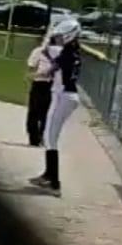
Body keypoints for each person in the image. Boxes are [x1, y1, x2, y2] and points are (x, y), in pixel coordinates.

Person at [29, 16, 82, 194]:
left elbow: (47, 57)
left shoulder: (65, 53)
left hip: (63, 96)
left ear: (68, 36)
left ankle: (54, 183)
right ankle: (48, 175)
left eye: (60, 36)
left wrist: (36, 75)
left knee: (50, 138)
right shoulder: (73, 51)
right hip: (67, 96)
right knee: (49, 136)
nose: (57, 39)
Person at [23, 39, 55, 147]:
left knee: (47, 113)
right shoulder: (38, 51)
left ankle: (43, 136)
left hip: (52, 85)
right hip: (39, 84)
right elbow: (31, 67)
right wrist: (33, 75)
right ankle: (34, 138)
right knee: (34, 112)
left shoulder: (60, 53)